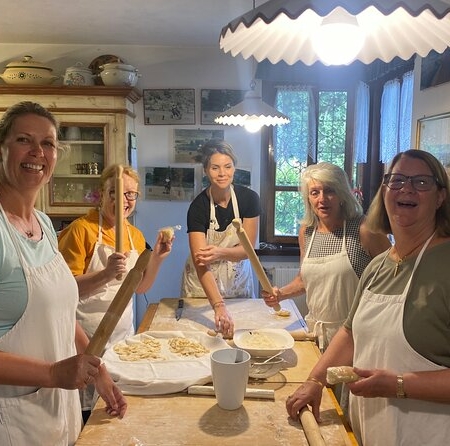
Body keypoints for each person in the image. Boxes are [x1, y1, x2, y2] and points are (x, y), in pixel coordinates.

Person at [286, 150, 450, 445]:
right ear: (385, 191)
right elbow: (349, 333)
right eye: (396, 180)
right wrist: (314, 381)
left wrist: (399, 385)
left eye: (421, 182)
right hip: (373, 430)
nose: (406, 188)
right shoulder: (379, 265)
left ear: (440, 197)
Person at [0, 101, 127, 446]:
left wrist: (98, 370)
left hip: (60, 412)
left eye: (49, 143)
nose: (38, 152)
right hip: (13, 420)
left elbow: (59, 314)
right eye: (24, 140)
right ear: (2, 148)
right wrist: (54, 372)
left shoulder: (42, 222)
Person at [58, 163, 173, 419]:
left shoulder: (134, 234)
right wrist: (105, 274)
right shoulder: (81, 230)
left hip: (121, 342)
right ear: (101, 193)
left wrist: (157, 258)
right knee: (87, 416)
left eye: (130, 194)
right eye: (116, 192)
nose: (124, 200)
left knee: (115, 411)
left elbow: (140, 287)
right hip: (84, 341)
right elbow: (61, 292)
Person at [263, 162, 391, 351]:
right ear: (308, 198)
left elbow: (393, 280)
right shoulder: (307, 232)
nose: (322, 199)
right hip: (316, 333)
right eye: (315, 192)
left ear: (342, 194)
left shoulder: (364, 230)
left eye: (329, 191)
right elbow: (304, 280)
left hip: (357, 337)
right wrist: (280, 295)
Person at [181, 139, 260, 337]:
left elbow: (248, 250)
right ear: (206, 170)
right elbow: (201, 262)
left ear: (234, 168)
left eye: (227, 166)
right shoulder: (198, 207)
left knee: (243, 336)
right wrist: (218, 305)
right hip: (203, 286)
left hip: (238, 281)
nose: (222, 173)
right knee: (201, 338)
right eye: (215, 168)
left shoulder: (249, 199)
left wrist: (219, 252)